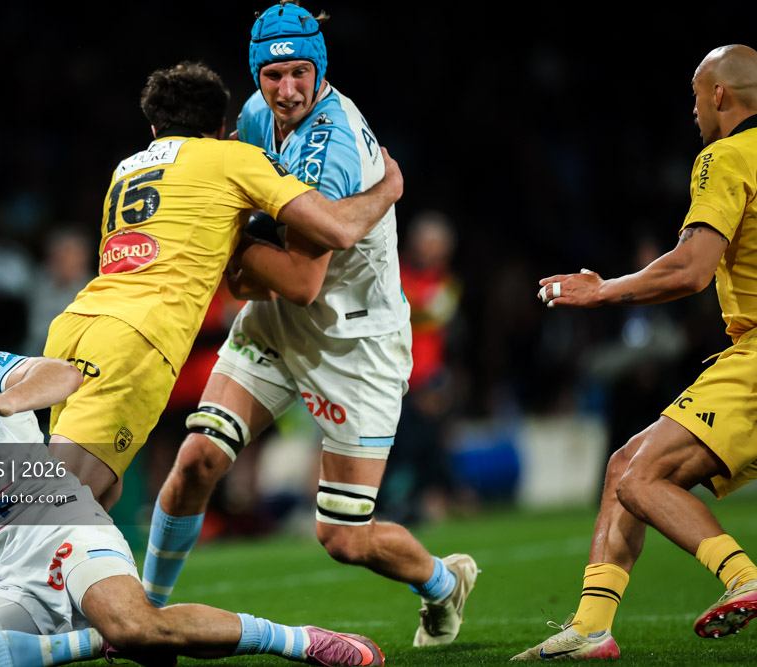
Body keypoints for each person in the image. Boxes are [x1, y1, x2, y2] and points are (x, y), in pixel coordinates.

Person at [0, 59, 404, 642]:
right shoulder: (234, 158)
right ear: (224, 125)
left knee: (93, 488)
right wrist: (387, 188)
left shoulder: (128, 166)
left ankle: (84, 602)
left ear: (154, 129)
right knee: (63, 492)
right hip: (135, 341)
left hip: (77, 324)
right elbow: (332, 232)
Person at [0, 290, 386, 667]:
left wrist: (10, 400)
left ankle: (301, 642)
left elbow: (63, 375)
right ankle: (85, 643)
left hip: (67, 534)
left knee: (142, 628)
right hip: (8, 574)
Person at [142, 0, 478, 649]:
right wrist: (239, 256)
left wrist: (231, 254)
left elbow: (300, 281)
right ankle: (143, 613)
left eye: (299, 73)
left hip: (355, 343)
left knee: (343, 536)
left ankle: (441, 582)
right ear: (257, 77)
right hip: (276, 327)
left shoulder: (333, 142)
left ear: (318, 68)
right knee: (196, 459)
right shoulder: (252, 117)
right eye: (273, 77)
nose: (286, 89)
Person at [513, 44, 757, 661]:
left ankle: (744, 579)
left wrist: (601, 292)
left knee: (642, 477)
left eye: (696, 95)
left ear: (719, 95)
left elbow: (690, 269)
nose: (695, 109)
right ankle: (592, 626)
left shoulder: (725, 157)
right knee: (625, 466)